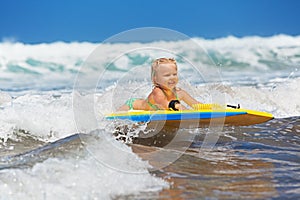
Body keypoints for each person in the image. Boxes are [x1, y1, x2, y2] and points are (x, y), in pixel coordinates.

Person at [118, 57, 202, 111]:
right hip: (131, 106)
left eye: (174, 74)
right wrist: (181, 108)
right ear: (155, 78)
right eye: (167, 75)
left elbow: (196, 105)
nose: (172, 77)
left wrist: (206, 108)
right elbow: (166, 105)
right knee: (117, 121)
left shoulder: (179, 93)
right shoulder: (157, 92)